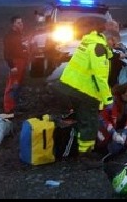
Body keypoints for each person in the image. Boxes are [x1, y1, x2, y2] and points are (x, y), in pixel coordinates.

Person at [53, 16, 114, 168]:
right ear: (100, 26)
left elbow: (102, 55)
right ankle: (85, 156)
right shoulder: (98, 47)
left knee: (83, 120)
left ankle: (84, 151)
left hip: (71, 86)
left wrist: (112, 52)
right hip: (85, 90)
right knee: (89, 122)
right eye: (105, 22)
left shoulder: (90, 41)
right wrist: (108, 100)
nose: (109, 24)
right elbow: (100, 76)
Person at [2, 16, 28, 114]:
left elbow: (22, 48)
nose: (21, 25)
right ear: (13, 24)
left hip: (22, 62)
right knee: (12, 86)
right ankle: (8, 109)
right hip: (15, 63)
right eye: (18, 23)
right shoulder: (9, 37)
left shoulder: (19, 35)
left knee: (18, 86)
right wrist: (12, 66)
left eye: (21, 22)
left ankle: (15, 106)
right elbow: (7, 53)